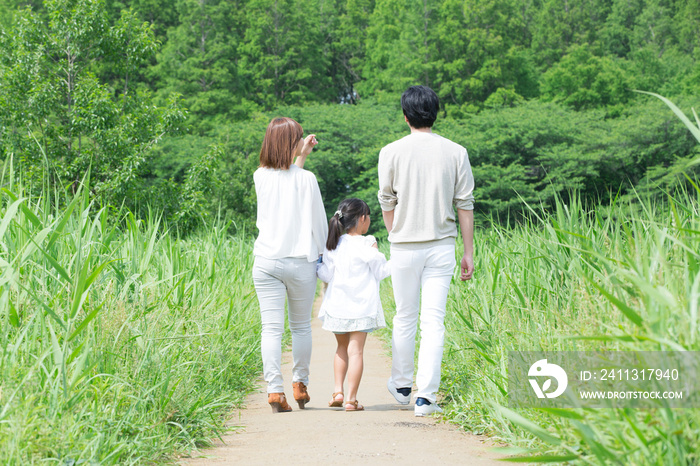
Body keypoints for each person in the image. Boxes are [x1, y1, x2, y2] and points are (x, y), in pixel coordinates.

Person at [377, 85, 475, 417]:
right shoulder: (456, 152)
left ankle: (402, 385)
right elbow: (465, 204)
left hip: (404, 245)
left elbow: (386, 200)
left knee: (405, 316)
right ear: (435, 113)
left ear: (405, 116)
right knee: (433, 320)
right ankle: (426, 398)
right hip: (442, 246)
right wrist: (469, 251)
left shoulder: (390, 151)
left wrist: (395, 233)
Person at [252, 117, 327, 413]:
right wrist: (325, 256)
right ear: (290, 144)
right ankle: (300, 384)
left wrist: (301, 155)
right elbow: (319, 225)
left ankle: (274, 391)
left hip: (266, 262)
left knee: (270, 329)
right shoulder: (306, 180)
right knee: (300, 328)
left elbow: (286, 179)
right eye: (297, 138)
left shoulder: (260, 176)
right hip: (300, 264)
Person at [317, 198, 391, 412]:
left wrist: (317, 265)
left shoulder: (333, 243)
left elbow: (326, 274)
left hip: (338, 306)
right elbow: (381, 271)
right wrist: (398, 261)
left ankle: (337, 391)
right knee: (356, 351)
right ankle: (351, 399)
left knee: (341, 349)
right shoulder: (368, 242)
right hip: (362, 307)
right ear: (362, 219)